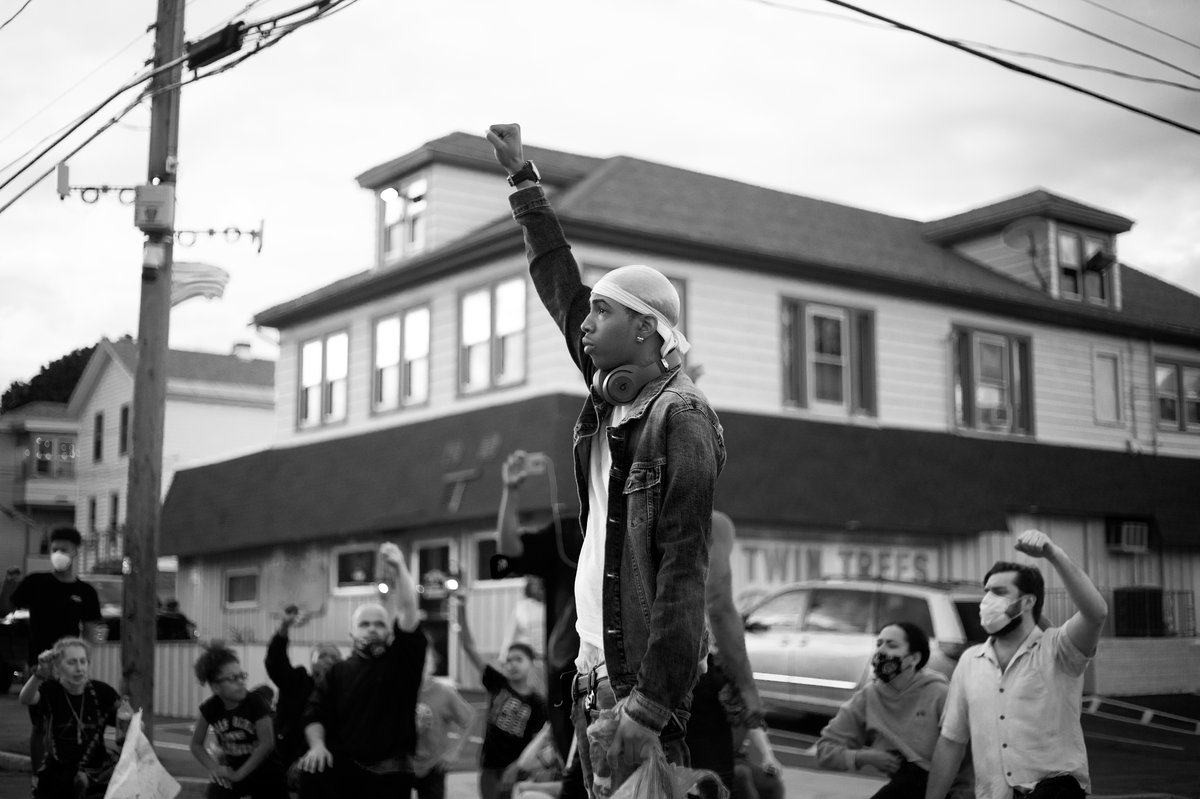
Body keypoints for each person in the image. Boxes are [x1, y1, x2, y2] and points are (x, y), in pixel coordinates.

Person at [488, 123, 726, 798]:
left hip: (637, 688)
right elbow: (558, 279)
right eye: (587, 315)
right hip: (591, 674)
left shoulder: (679, 418)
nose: (584, 323)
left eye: (602, 313)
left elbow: (685, 568)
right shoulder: (609, 399)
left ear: (646, 327)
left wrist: (648, 707)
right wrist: (523, 180)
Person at [924, 529, 1108, 799]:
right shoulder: (970, 662)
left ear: (1026, 602)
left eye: (998, 592)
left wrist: (1053, 554)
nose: (987, 601)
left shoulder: (1058, 649)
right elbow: (951, 741)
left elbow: (1096, 614)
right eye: (986, 592)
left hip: (1055, 790)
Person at [298, 542, 426, 798]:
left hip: (392, 777)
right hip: (348, 774)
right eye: (364, 624)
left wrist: (399, 566)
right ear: (351, 633)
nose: (372, 629)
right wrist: (317, 746)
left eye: (379, 624)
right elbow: (315, 714)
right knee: (310, 772)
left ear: (389, 632)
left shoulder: (402, 662)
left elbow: (408, 609)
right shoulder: (337, 673)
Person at [493, 448, 584, 763]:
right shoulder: (569, 532)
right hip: (572, 679)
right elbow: (509, 551)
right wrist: (511, 491)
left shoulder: (636, 523)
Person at [818, 621, 969, 799]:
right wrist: (863, 757)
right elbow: (825, 750)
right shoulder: (868, 696)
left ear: (914, 658)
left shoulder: (939, 693)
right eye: (879, 644)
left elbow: (967, 759)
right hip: (902, 784)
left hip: (943, 788)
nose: (881, 651)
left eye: (891, 645)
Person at [687, 511, 777, 795]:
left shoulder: (615, 511)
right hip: (684, 671)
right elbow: (719, 605)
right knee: (710, 784)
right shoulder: (708, 521)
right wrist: (748, 688)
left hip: (609, 673)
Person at [5, 527, 102, 778]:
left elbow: (93, 630)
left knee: (66, 723)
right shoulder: (36, 583)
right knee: (40, 724)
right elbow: (6, 609)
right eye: (54, 549)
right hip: (39, 664)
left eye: (64, 549)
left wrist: (86, 658)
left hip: (69, 667)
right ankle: (42, 777)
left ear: (75, 552)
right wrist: (8, 584)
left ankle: (67, 774)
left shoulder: (85, 592)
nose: (59, 554)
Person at [458, 593, 550, 799]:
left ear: (531, 663)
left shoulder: (537, 702)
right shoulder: (497, 683)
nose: (512, 664)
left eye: (518, 659)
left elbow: (538, 742)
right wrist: (461, 609)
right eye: (508, 660)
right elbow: (468, 647)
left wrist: (518, 766)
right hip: (490, 768)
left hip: (518, 769)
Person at [19, 636, 130, 798]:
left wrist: (132, 723)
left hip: (97, 770)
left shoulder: (102, 691)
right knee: (73, 781)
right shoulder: (51, 690)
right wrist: (40, 674)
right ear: (57, 667)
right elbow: (26, 698)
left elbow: (126, 721)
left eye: (83, 661)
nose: (79, 668)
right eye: (72, 662)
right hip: (58, 771)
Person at [189, 641, 288, 799]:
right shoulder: (210, 708)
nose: (241, 681)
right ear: (216, 687)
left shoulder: (256, 702)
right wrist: (215, 768)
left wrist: (238, 775)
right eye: (233, 678)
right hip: (234, 770)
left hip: (267, 773)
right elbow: (196, 745)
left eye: (242, 676)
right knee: (217, 791)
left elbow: (267, 744)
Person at [265, 604, 342, 780]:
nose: (329, 660)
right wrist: (284, 627)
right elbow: (276, 663)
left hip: (327, 762)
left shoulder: (344, 691)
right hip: (286, 758)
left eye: (334, 657)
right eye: (323, 656)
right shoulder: (297, 681)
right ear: (312, 662)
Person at [412, 644, 476, 799]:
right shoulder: (394, 692)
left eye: (423, 659)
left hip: (433, 765)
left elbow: (469, 718)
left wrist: (455, 750)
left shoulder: (444, 692)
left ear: (433, 664)